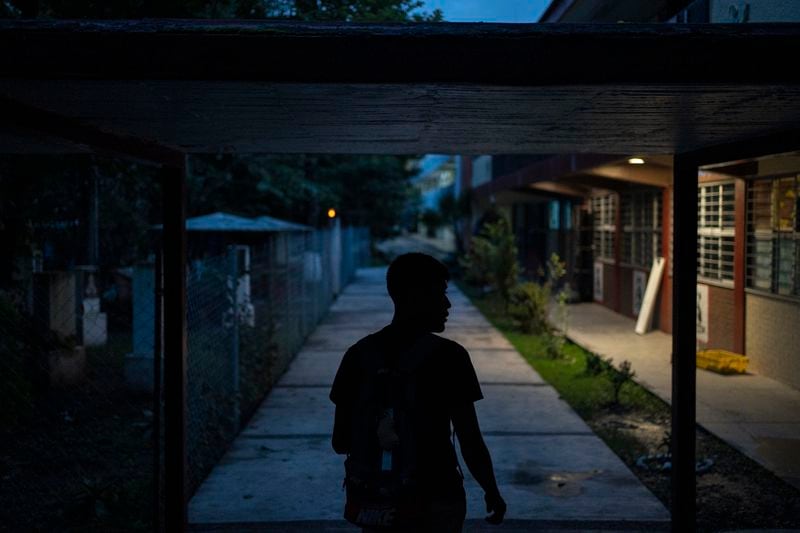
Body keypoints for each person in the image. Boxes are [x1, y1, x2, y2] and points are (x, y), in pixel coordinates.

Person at [330, 252, 506, 532]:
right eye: (440, 294)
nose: (448, 304)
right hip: (438, 500)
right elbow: (469, 439)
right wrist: (491, 490)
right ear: (415, 296)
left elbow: (340, 442)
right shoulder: (450, 357)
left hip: (378, 502)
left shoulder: (358, 355)